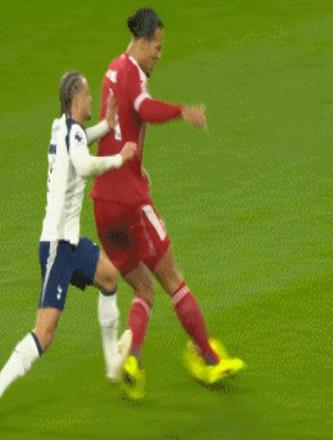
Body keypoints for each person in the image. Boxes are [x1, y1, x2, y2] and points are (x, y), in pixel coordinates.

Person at [91, 7, 245, 399]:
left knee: (144, 290)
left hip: (103, 206)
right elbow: (143, 109)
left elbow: (115, 129)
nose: (159, 55)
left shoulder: (112, 71)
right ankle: (210, 358)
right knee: (172, 280)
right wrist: (181, 112)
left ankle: (132, 361)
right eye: (157, 47)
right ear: (142, 42)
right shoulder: (134, 74)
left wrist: (134, 169)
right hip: (129, 202)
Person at [0, 71, 137, 398]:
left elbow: (80, 138)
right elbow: (84, 165)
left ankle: (112, 365)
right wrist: (119, 158)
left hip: (70, 242)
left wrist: (105, 125)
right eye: (88, 95)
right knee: (44, 332)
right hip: (57, 246)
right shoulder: (72, 135)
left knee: (109, 277)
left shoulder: (61, 126)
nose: (91, 99)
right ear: (77, 98)